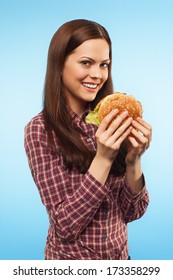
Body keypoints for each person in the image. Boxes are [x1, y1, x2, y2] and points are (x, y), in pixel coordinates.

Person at [24, 19, 152, 260]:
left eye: (104, 65)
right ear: (59, 64)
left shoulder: (112, 119)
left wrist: (134, 160)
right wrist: (103, 158)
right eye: (86, 63)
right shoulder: (40, 130)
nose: (97, 74)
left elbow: (132, 212)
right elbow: (65, 227)